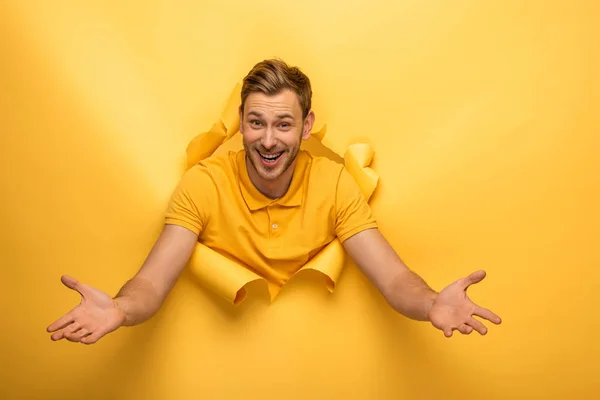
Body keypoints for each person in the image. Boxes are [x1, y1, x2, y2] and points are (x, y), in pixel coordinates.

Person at [47, 59, 501, 345]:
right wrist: (121, 310)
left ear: (306, 127)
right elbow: (151, 283)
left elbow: (395, 278)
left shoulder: (334, 184)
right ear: (240, 124)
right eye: (255, 123)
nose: (267, 140)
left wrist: (430, 304)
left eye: (283, 124)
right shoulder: (203, 183)